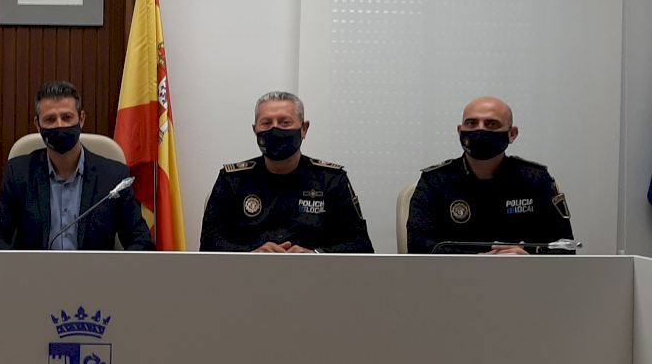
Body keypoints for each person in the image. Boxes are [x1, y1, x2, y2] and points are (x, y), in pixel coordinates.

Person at [0, 81, 153, 250]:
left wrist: (114, 267)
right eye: (50, 119)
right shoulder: (20, 172)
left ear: (81, 119)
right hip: (35, 268)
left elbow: (141, 241)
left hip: (94, 268)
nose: (59, 125)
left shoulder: (113, 176)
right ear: (37, 124)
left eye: (67, 117)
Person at [199, 91, 372, 253]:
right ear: (255, 130)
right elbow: (209, 243)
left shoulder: (332, 180)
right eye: (266, 123)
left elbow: (361, 245)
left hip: (313, 273)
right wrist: (251, 254)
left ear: (304, 129)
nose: (275, 129)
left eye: (285, 122)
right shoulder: (232, 180)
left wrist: (316, 255)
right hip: (249, 273)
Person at [406, 96, 574, 254]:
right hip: (456, 274)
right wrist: (481, 259)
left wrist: (527, 258)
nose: (480, 129)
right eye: (472, 123)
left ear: (512, 134)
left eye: (491, 124)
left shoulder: (536, 179)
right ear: (459, 131)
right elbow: (417, 246)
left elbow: (565, 247)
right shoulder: (435, 180)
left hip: (522, 273)